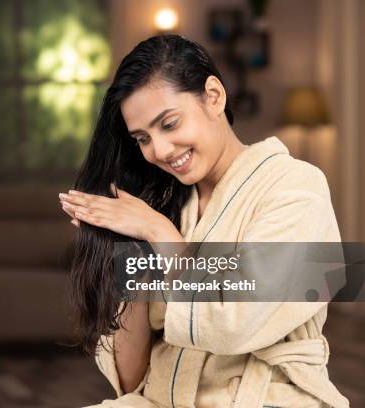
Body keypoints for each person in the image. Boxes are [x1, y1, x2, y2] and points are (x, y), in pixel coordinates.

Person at [58, 35, 349, 408]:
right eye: (142, 138)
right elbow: (130, 380)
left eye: (170, 123)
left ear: (213, 96)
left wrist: (160, 233)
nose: (159, 151)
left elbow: (234, 319)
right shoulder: (163, 202)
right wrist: (129, 253)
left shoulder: (296, 187)